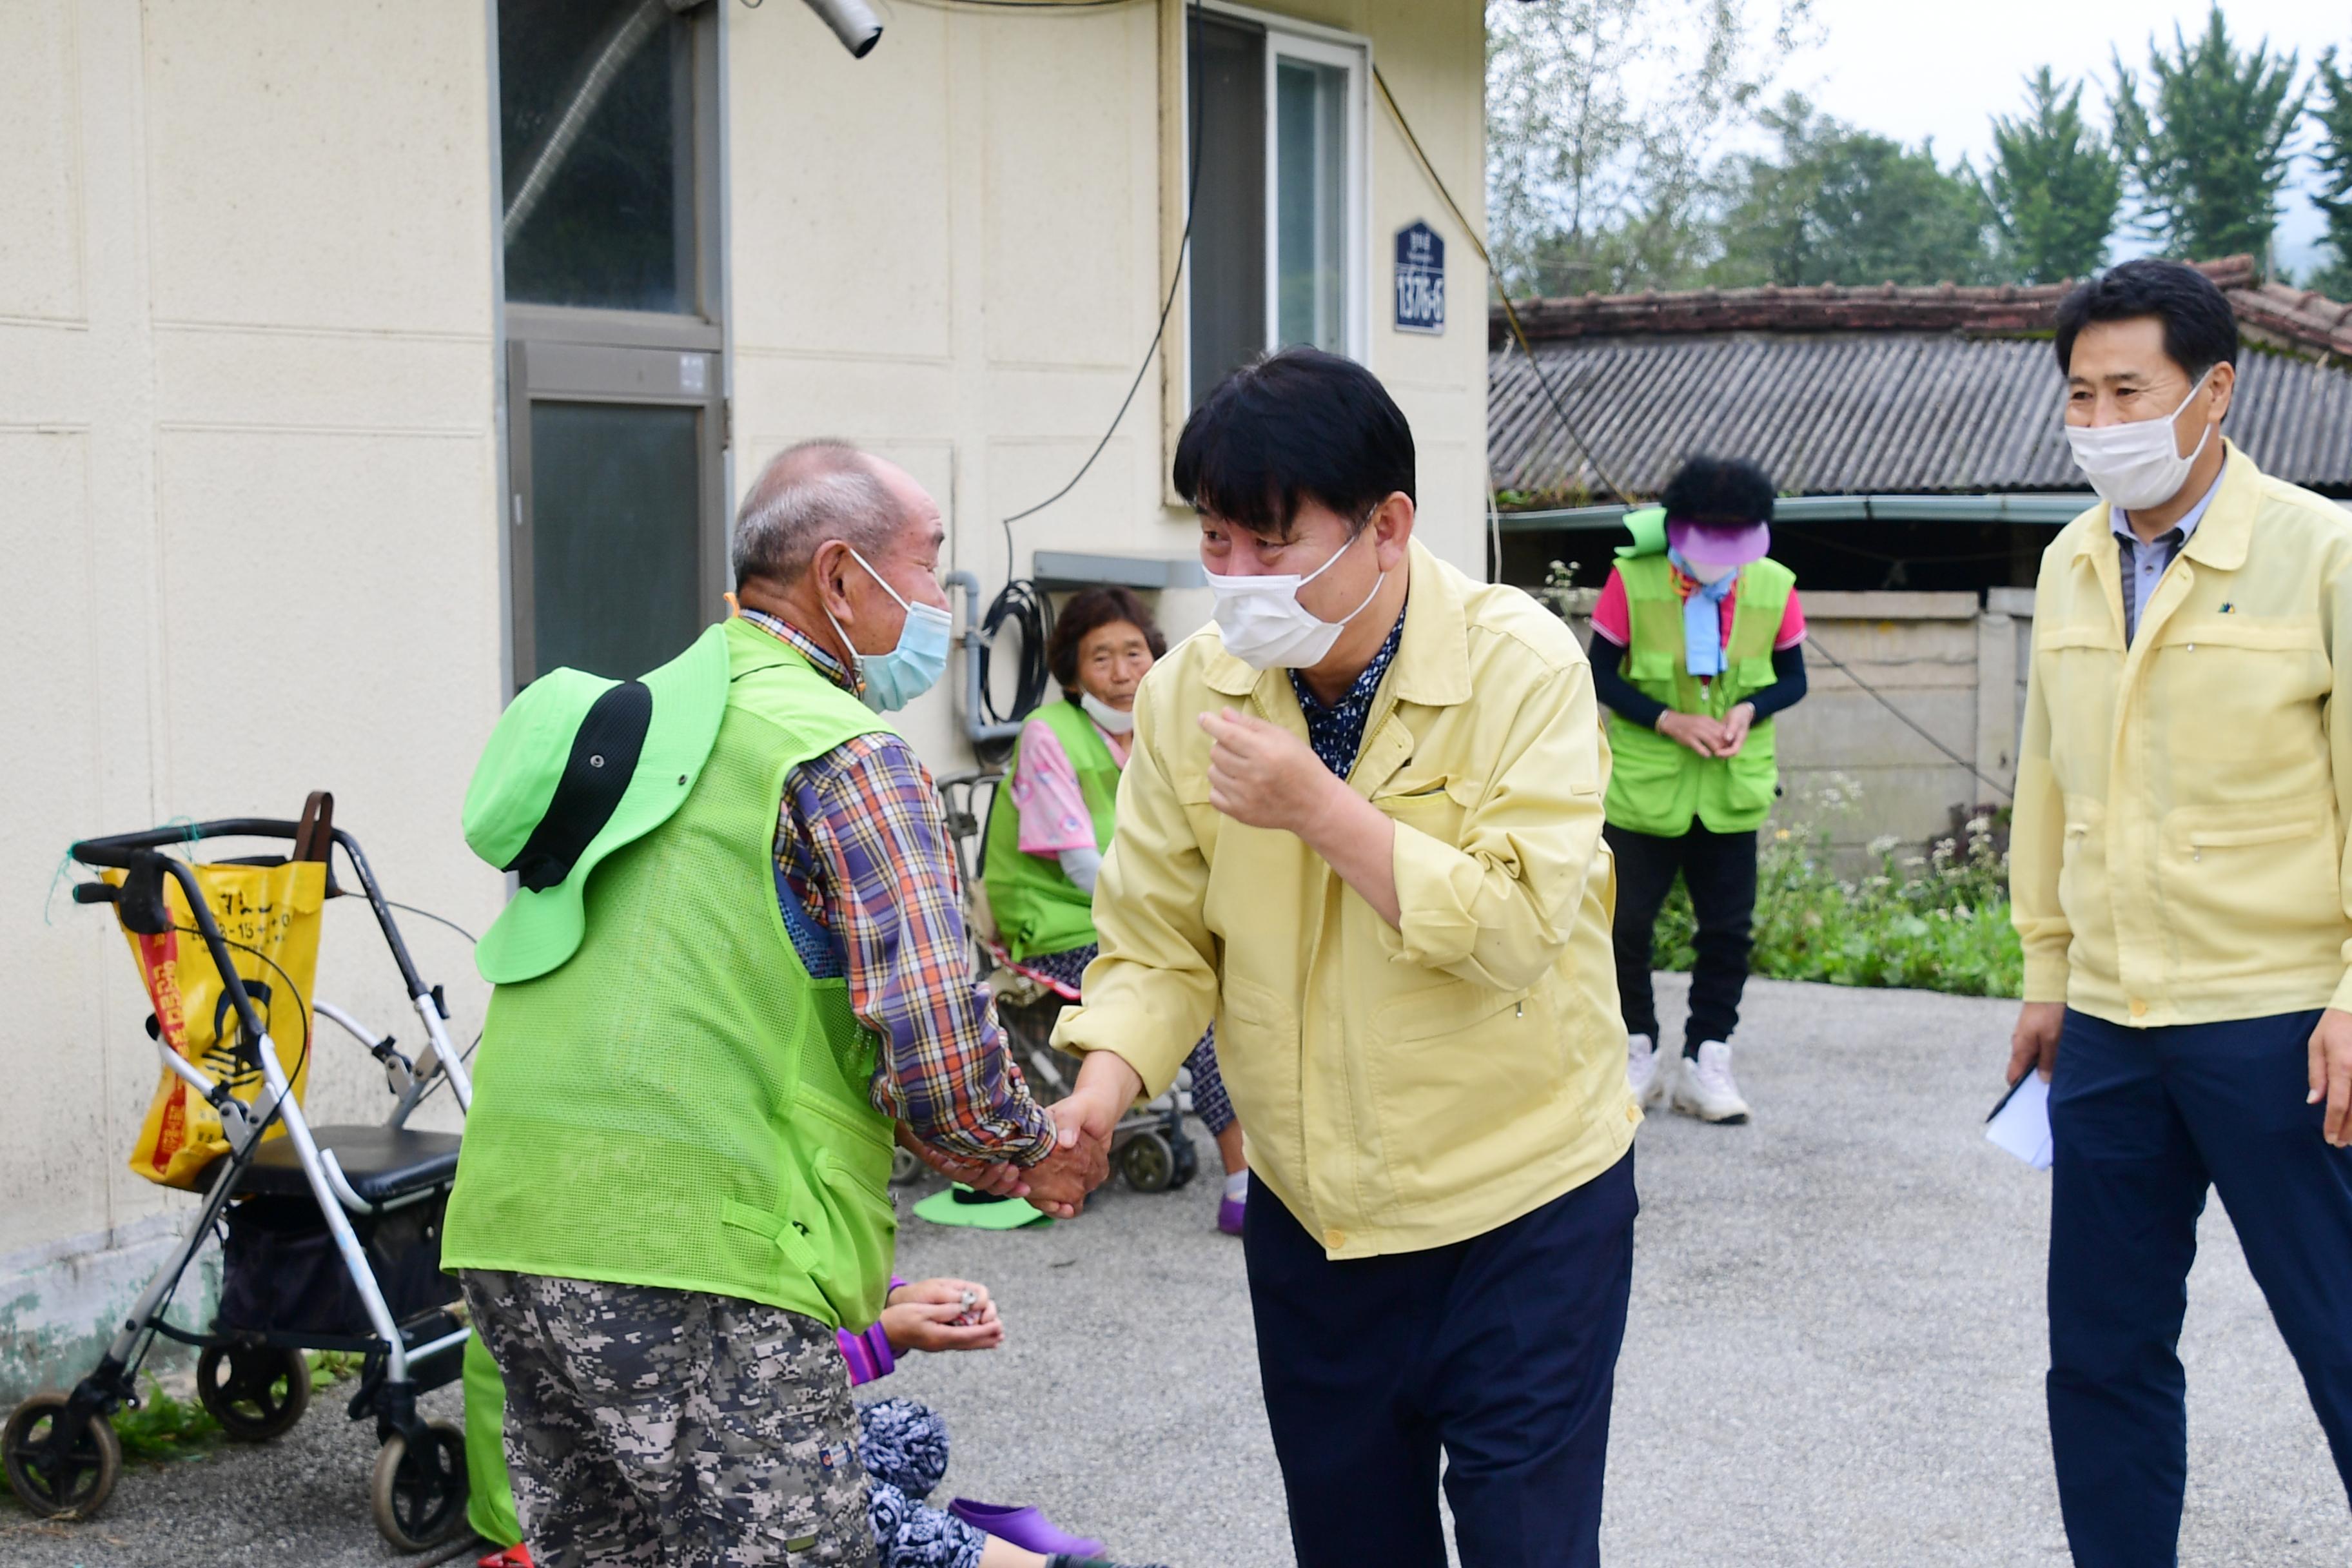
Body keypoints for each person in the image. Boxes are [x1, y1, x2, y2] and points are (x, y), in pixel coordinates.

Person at [442, 441, 1106, 1567]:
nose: (946, 604)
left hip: (511, 1227)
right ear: (842, 579)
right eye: (931, 565)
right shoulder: (843, 751)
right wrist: (1034, 1152)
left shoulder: (646, 720)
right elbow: (942, 1060)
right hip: (695, 1251)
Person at [1047, 348, 1636, 1568]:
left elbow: (1517, 931)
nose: (1238, 580)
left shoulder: (1517, 664)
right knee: (1352, 1544)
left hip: (1520, 1200)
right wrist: (1096, 1095)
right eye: (1215, 542)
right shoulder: (1187, 696)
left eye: (1271, 545)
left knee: (1528, 1543)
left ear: (1386, 526)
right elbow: (1157, 939)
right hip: (1315, 1215)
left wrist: (1320, 806)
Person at [2006, 257, 2352, 1566]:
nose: (2100, 424)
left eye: (2127, 393)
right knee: (2100, 1352)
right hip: (2109, 1023)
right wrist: (2047, 971)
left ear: (2214, 389)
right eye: (2080, 396)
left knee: (2342, 1334)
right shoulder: (2071, 563)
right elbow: (2049, 778)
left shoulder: (2323, 554)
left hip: (2280, 1022)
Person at [464, 1276, 1148, 1568]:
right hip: (658, 1485)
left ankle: (881, 1522)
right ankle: (1001, 1556)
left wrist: (895, 1298)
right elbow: (754, 1399)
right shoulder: (643, 1266)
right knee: (828, 1492)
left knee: (913, 1431)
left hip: (692, 1448)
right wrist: (883, 1335)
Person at [981, 585, 1251, 1231]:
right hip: (1057, 927)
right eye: (1102, 657)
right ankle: (1244, 1181)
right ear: (1072, 671)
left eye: (1134, 652)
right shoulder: (1049, 733)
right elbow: (1083, 867)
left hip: (1134, 917)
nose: (1123, 671)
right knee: (1204, 994)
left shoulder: (1158, 728)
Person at [1587, 457, 1809, 1124]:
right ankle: (1638, 1049)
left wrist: (1750, 710)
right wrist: (1668, 719)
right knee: (1623, 924)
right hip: (1645, 786)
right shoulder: (1633, 578)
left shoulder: (1774, 584)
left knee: (1728, 931)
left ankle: (1707, 1057)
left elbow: (1794, 678)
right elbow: (1599, 671)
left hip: (1730, 786)